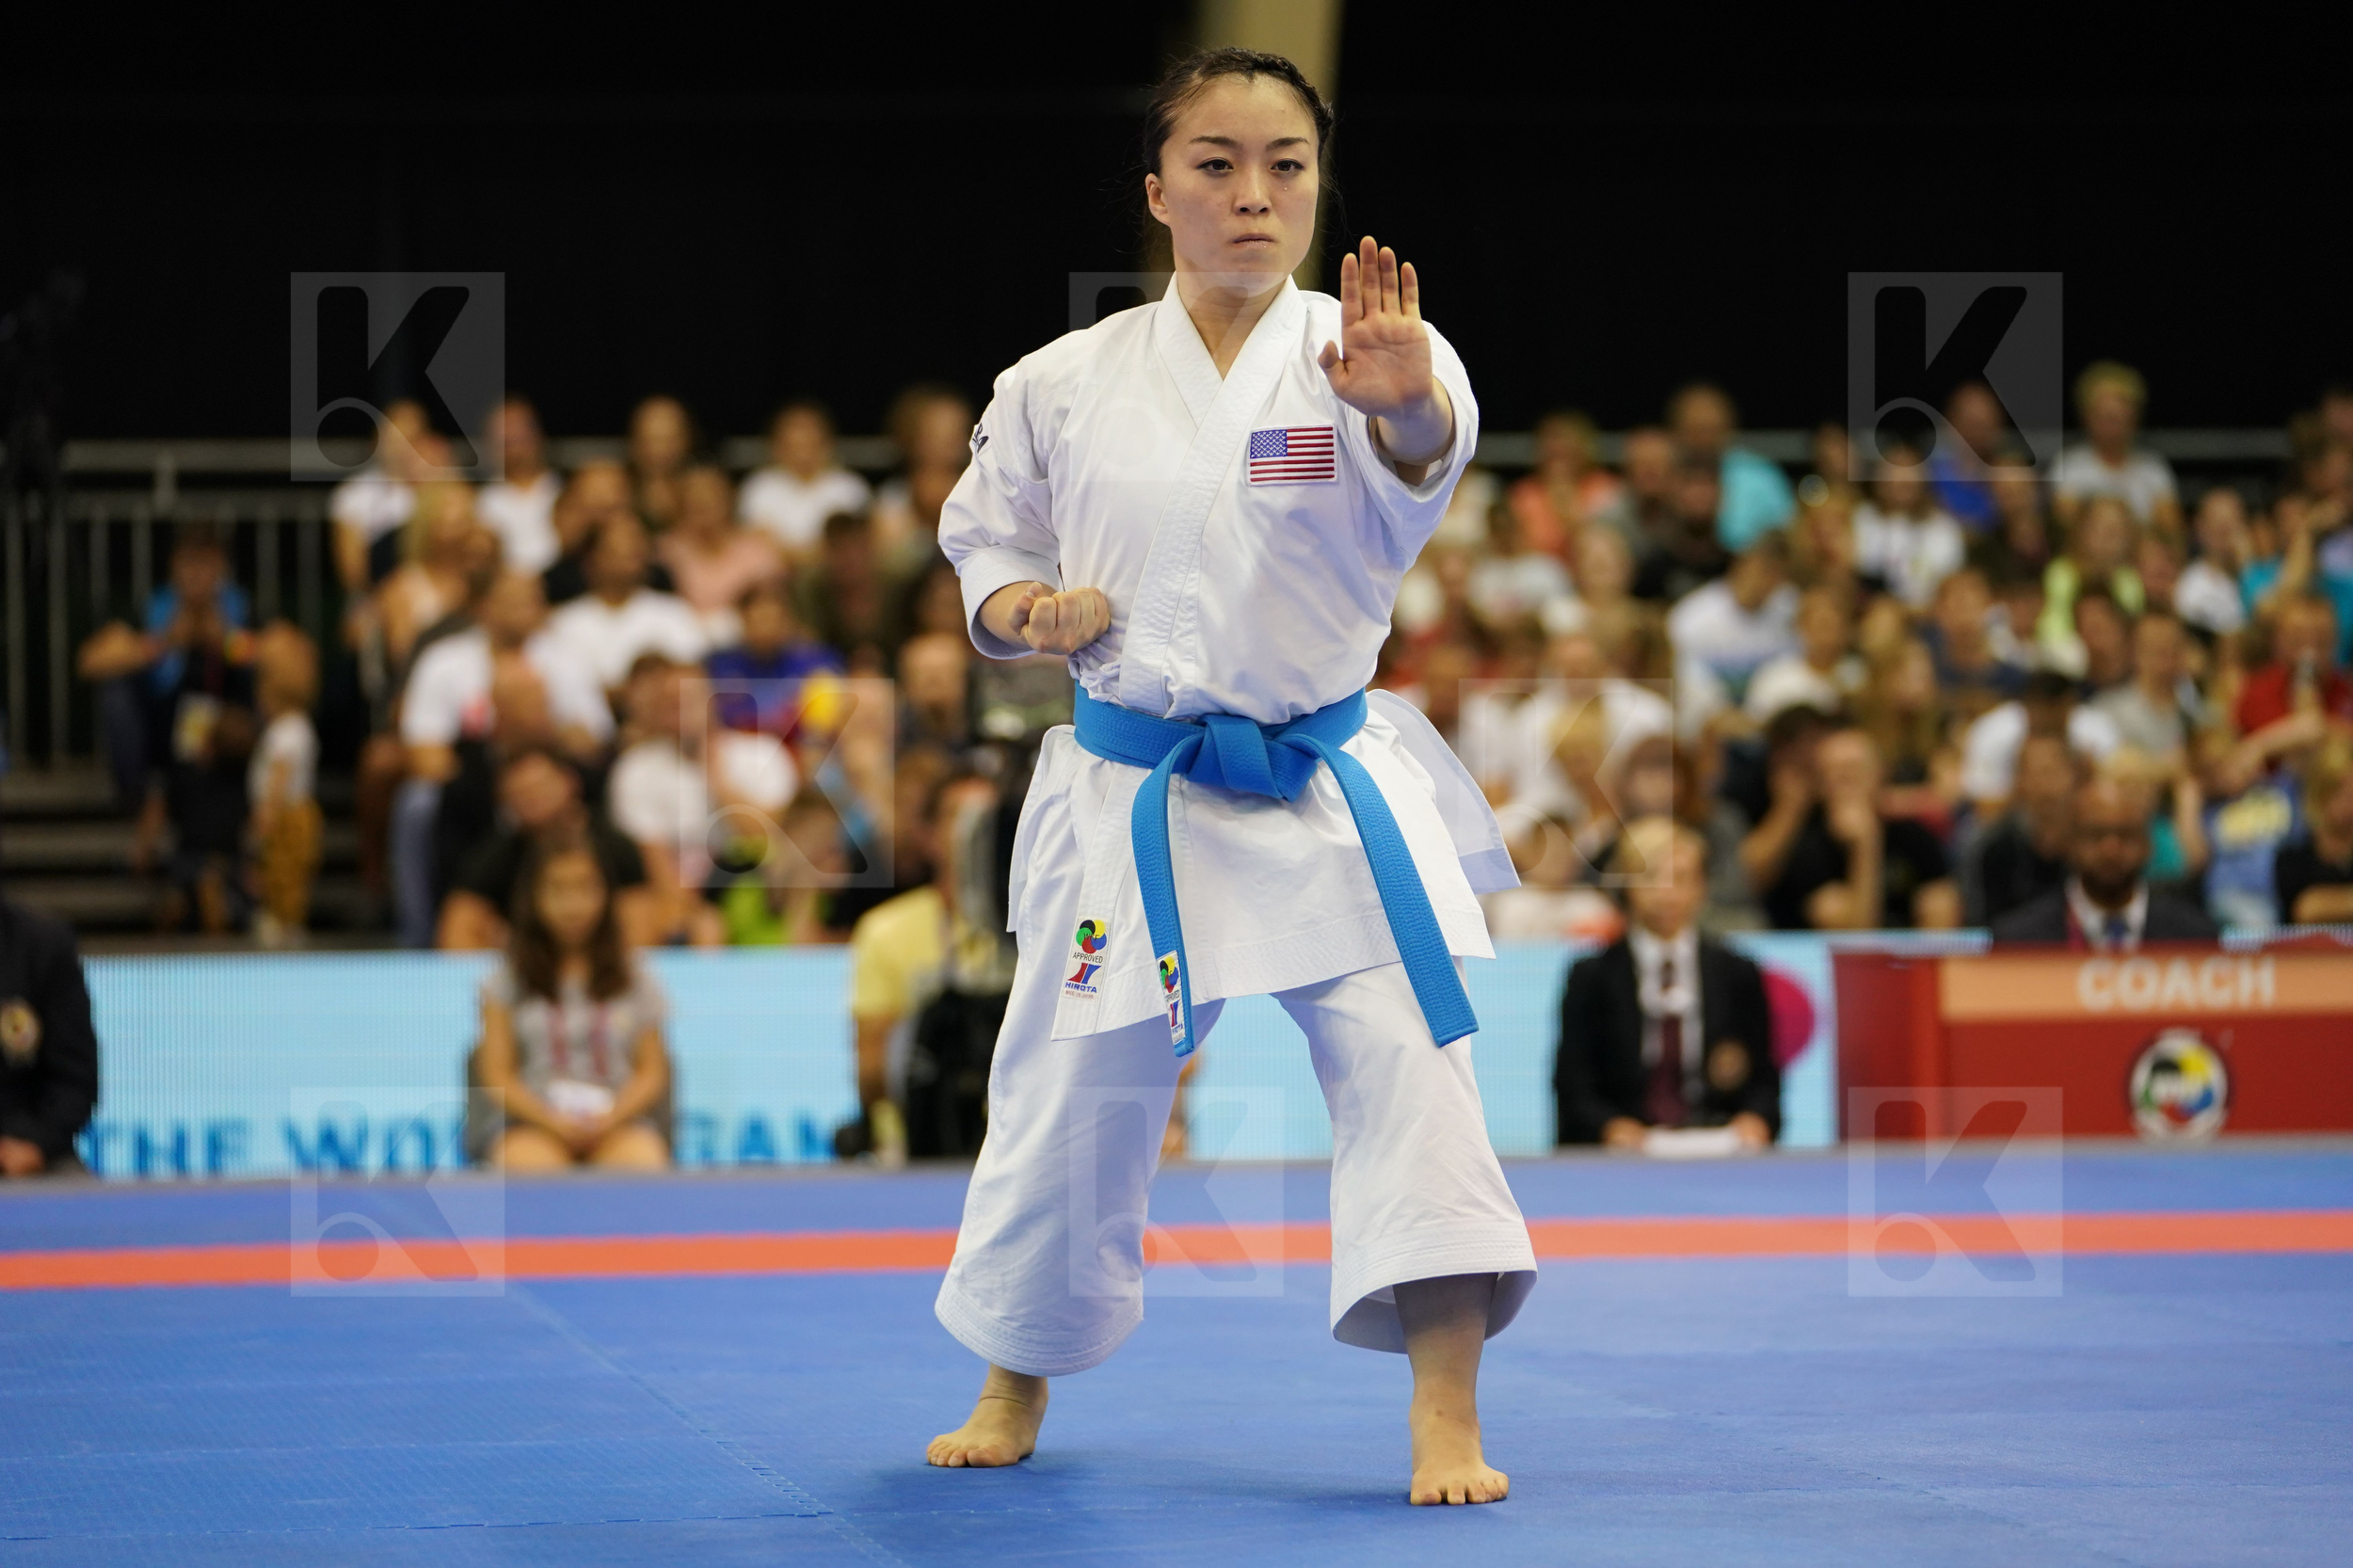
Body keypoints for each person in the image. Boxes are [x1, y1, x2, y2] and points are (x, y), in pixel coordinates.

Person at [924, 49, 1530, 1506]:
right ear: (1158, 192)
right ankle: (1014, 1374)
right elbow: (984, 544)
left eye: (1286, 166)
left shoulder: (1382, 350)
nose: (1254, 194)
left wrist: (1405, 414)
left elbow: (1420, 471)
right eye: (1215, 163)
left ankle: (1445, 1412)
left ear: (1319, 188)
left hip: (1323, 782)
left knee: (1416, 1067)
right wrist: (1027, 614)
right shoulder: (1059, 381)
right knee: (1071, 1085)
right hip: (1137, 787)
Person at [1552, 817, 1778, 1148]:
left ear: (1702, 886)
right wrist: (1609, 1127)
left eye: (1682, 878)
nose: (1666, 893)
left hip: (1717, 1147)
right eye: (1651, 877)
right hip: (1623, 1157)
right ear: (1627, 885)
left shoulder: (1737, 972)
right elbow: (1573, 1086)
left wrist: (1754, 1120)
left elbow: (1765, 1082)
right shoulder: (1592, 977)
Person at [473, 836, 673, 1171]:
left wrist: (610, 1119)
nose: (573, 904)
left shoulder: (635, 976)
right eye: (558, 890)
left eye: (585, 888)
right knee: (532, 1171)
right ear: (534, 897)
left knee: (642, 1165)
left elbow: (652, 1070)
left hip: (617, 1122)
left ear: (605, 894)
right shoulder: (506, 980)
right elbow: (496, 1073)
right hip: (532, 1123)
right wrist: (552, 1122)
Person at [840, 771, 1006, 1167]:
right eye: (958, 816)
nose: (974, 829)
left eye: (989, 816)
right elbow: (872, 1073)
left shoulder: (1045, 928)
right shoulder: (886, 931)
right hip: (916, 1142)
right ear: (929, 835)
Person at [439, 746, 656, 951]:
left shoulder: (616, 847)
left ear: (570, 782)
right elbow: (458, 926)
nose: (534, 800)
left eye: (541, 787)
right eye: (522, 793)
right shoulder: (494, 856)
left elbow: (641, 925)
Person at [1756, 723, 1960, 930]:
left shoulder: (1913, 834)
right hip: (1827, 958)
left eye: (1854, 768)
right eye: (1835, 772)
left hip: (1910, 953)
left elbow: (1944, 914)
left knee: (1939, 904)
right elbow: (1855, 935)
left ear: (1881, 773)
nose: (1847, 779)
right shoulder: (1806, 845)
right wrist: (1865, 846)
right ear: (1820, 783)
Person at [1990, 776, 2218, 947]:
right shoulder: (2018, 941)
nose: (2111, 851)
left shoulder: (2195, 937)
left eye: (2125, 835)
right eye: (2095, 835)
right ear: (2070, 843)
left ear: (2148, 845)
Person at [547, 514, 710, 693]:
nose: (628, 556)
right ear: (590, 560)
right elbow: (567, 687)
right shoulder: (566, 622)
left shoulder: (672, 611)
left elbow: (693, 674)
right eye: (616, 550)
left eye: (634, 549)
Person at [0, 893, 101, 1177]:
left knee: (84, 1211)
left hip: (25, 1150)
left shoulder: (42, 946)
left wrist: (37, 1144)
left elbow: (74, 1079)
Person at [248, 625, 322, 947]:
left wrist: (267, 812)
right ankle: (280, 919)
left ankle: (286, 925)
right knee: (276, 872)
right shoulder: (289, 727)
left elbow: (280, 776)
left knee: (285, 873)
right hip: (286, 814)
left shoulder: (289, 730)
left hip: (288, 817)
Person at [655, 464, 784, 644]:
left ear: (729, 499)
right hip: (683, 642)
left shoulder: (757, 550)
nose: (702, 501)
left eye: (710, 496)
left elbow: (771, 609)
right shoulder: (667, 550)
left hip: (745, 645)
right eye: (694, 498)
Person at [2052, 361, 2182, 536]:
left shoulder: (2153, 469)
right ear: (2087, 418)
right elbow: (2065, 528)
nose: (2112, 426)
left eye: (2118, 417)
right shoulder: (2069, 466)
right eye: (2104, 417)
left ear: (2134, 418)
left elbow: (2170, 531)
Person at [1961, 733, 2077, 926]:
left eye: (2053, 773)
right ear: (2019, 782)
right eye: (2035, 774)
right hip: (2013, 948)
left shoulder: (2091, 841)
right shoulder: (1992, 848)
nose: (2045, 787)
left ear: (2072, 776)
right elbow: (1980, 921)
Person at [1667, 382, 1794, 552]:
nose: (1703, 440)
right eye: (1695, 430)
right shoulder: (1663, 475)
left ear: (1728, 428)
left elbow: (1787, 534)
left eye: (1710, 429)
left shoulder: (1761, 475)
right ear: (1677, 431)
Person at [739, 400, 873, 555]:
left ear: (827, 443)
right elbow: (758, 541)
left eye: (809, 441)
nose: (803, 452)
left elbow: (854, 542)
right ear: (777, 446)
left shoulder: (850, 486)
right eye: (795, 444)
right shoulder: (759, 487)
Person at [1853, 447, 1966, 610]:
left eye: (1910, 469)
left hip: (1932, 616)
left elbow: (1951, 586)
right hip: (1873, 613)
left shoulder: (1944, 528)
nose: (1903, 478)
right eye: (1895, 468)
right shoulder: (1861, 520)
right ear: (1878, 478)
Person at [477, 395, 563, 575]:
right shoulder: (479, 503)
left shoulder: (567, 493)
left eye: (520, 432)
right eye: (505, 437)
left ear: (538, 434)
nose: (514, 442)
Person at [2276, 738, 2353, 924]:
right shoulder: (2294, 854)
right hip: (2307, 950)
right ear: (2319, 792)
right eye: (2338, 789)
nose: (2348, 799)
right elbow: (2305, 909)